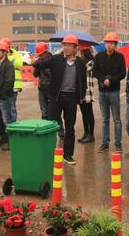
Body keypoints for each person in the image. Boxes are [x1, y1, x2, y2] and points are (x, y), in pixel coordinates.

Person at [33, 34, 87, 165]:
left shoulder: (80, 63)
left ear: (75, 48)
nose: (66, 48)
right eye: (65, 45)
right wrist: (34, 62)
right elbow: (41, 65)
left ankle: (68, 155)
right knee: (52, 125)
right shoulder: (56, 59)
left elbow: (83, 81)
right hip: (56, 98)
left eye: (69, 45)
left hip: (71, 99)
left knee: (70, 128)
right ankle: (49, 151)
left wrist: (80, 96)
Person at [93, 32, 127, 152]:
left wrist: (111, 80)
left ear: (115, 44)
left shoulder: (120, 57)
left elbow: (123, 73)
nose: (109, 45)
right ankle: (105, 143)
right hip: (102, 92)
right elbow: (95, 71)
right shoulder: (99, 56)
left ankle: (118, 143)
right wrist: (103, 80)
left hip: (114, 91)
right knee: (104, 119)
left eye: (112, 43)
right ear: (105, 44)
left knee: (116, 119)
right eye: (107, 43)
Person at [0, 42, 16, 151]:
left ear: (4, 52)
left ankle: (12, 142)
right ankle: (4, 138)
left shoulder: (8, 65)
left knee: (8, 119)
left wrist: (1, 94)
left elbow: (9, 82)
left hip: (5, 97)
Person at [0, 37, 23, 125]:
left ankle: (11, 126)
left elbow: (19, 64)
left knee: (10, 109)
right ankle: (2, 126)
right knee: (1, 111)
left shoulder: (14, 56)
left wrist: (9, 57)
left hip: (12, 87)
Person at [78, 46, 96, 143]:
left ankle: (91, 134)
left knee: (89, 113)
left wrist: (79, 62)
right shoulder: (81, 62)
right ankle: (86, 132)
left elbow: (84, 70)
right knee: (84, 113)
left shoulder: (91, 62)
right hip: (80, 90)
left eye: (81, 52)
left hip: (87, 90)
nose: (80, 54)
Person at [33, 42, 53, 120]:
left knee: (52, 112)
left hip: (51, 89)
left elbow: (51, 75)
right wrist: (37, 65)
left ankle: (56, 126)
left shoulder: (52, 60)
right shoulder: (39, 61)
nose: (40, 57)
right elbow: (35, 75)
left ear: (46, 52)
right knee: (44, 112)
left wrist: (43, 65)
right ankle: (45, 125)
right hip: (42, 89)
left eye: (41, 55)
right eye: (39, 55)